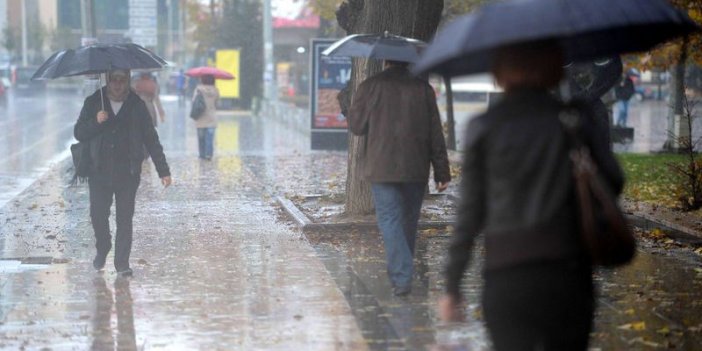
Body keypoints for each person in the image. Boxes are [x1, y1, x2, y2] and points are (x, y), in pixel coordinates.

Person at [438, 41, 624, 350]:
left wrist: (452, 285)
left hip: (507, 275)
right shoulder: (573, 121)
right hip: (567, 271)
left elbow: (469, 213)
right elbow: (613, 182)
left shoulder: (484, 127)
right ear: (555, 69)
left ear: (499, 73)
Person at [348, 60, 451, 297]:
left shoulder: (370, 86)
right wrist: (442, 171)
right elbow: (436, 132)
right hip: (416, 167)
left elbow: (357, 126)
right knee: (407, 222)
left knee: (389, 219)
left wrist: (348, 102)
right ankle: (402, 275)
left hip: (381, 167)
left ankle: (402, 276)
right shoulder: (423, 89)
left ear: (385, 61)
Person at [74, 69, 172, 277]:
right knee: (98, 215)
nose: (118, 84)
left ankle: (122, 263)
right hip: (98, 171)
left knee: (125, 218)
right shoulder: (94, 101)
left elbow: (151, 139)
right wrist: (96, 121)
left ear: (127, 80)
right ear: (108, 80)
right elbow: (79, 132)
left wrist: (163, 170)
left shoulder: (136, 105)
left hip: (128, 172)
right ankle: (103, 247)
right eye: (114, 79)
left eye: (122, 80)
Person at [193, 74, 220, 160]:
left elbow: (194, 101)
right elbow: (217, 103)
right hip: (211, 118)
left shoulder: (198, 90)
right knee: (210, 138)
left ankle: (202, 155)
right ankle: (209, 154)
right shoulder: (216, 90)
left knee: (201, 139)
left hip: (201, 118)